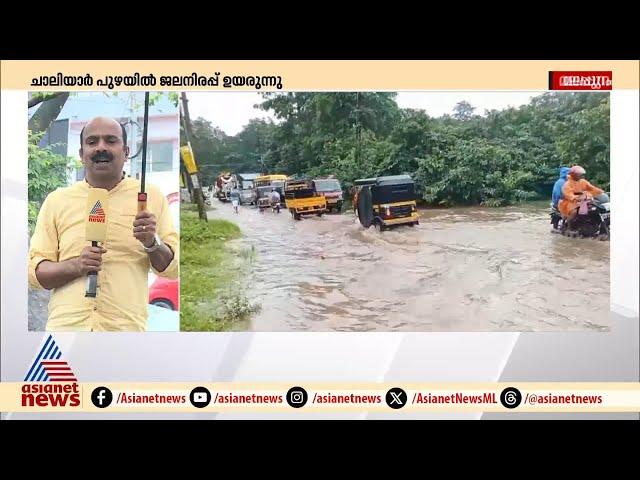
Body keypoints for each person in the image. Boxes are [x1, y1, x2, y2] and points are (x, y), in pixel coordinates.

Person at [28, 117, 179, 332]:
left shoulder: (150, 197)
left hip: (124, 333)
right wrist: (76, 265)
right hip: (66, 332)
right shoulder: (57, 200)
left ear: (126, 152)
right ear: (81, 154)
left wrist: (151, 242)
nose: (101, 147)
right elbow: (36, 274)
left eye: (110, 140)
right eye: (92, 142)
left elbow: (172, 270)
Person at [558, 165, 604, 232]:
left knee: (593, 208)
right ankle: (569, 228)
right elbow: (568, 194)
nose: (581, 176)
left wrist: (601, 192)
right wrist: (575, 198)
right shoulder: (567, 184)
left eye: (581, 175)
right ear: (574, 175)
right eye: (579, 175)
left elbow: (592, 188)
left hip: (583, 200)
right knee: (574, 212)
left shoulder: (583, 181)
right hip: (569, 202)